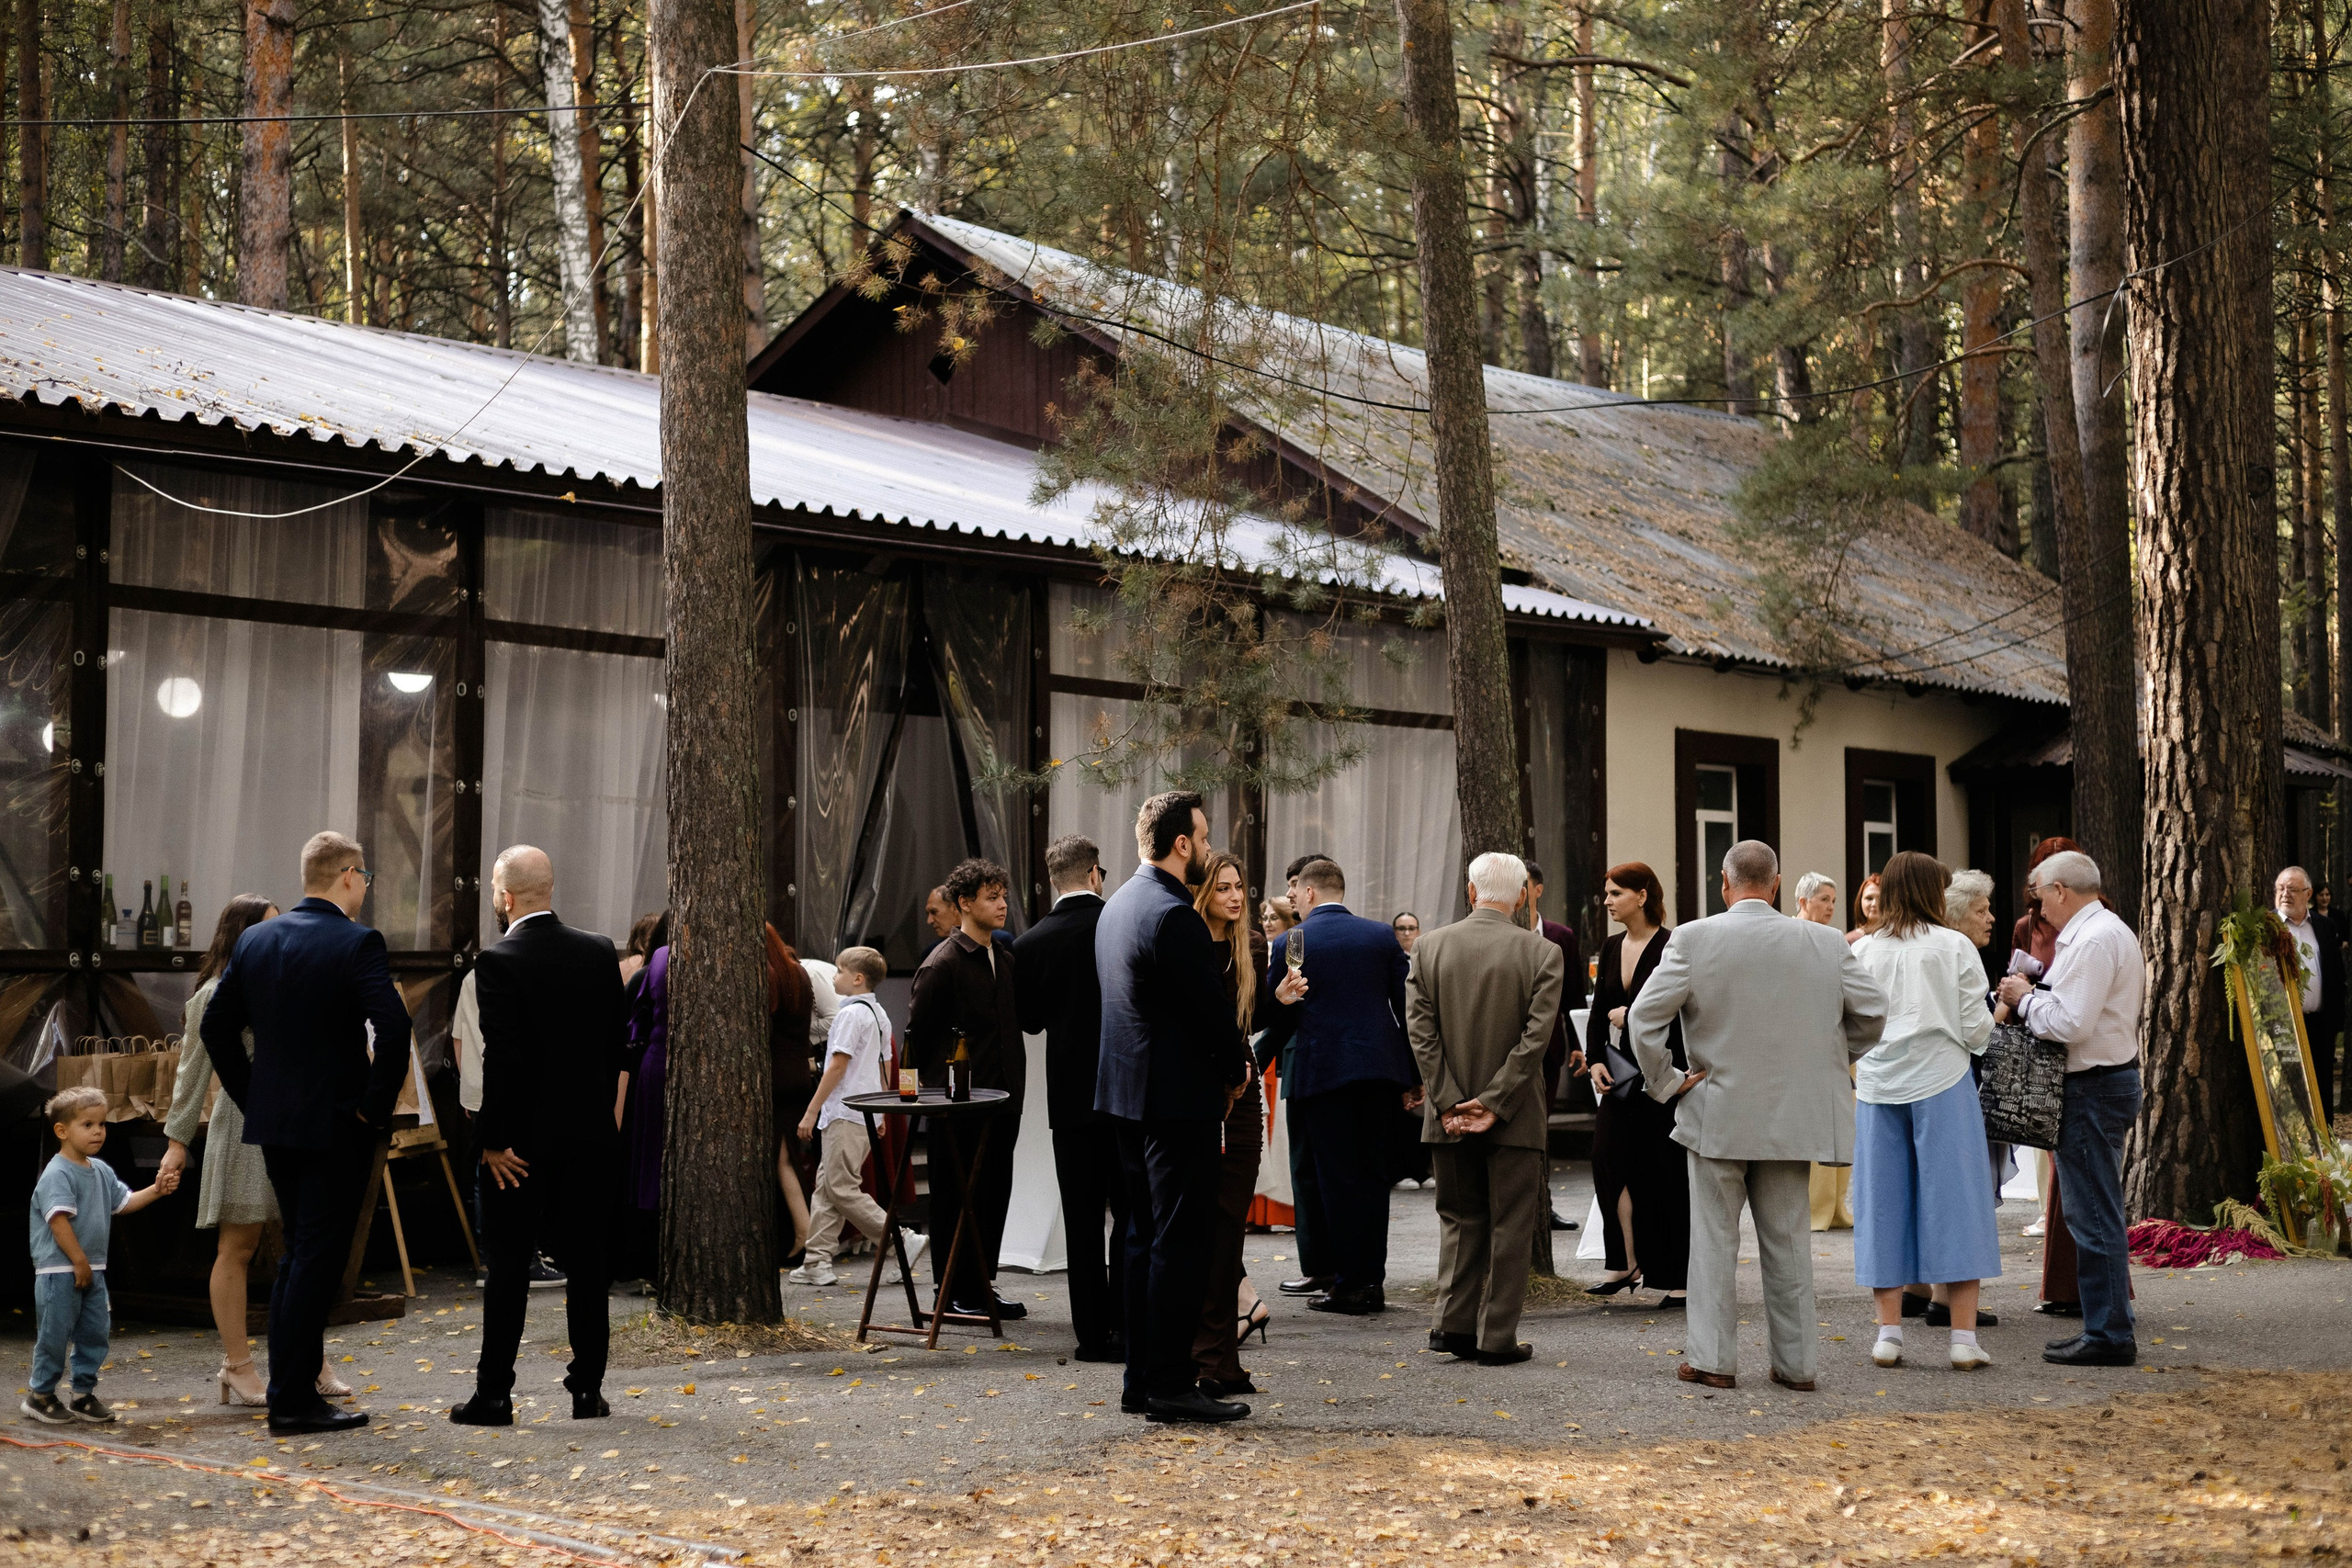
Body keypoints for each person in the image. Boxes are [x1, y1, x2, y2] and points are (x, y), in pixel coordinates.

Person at [1626, 840, 1886, 1392]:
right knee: (1789, 1243)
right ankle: (1797, 1366)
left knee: (1714, 1243)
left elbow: (1643, 1021)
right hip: (1793, 1115)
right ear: (1775, 885)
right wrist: (1828, 1061)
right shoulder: (1824, 942)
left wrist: (1669, 1082)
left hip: (1715, 1109)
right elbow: (1872, 1013)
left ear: (1724, 884)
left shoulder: (1693, 939)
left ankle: (1713, 1360)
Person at [203, 829, 411, 1436]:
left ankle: (291, 1394)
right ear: (348, 874)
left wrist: (252, 1095)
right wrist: (373, 1109)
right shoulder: (357, 941)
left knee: (299, 1253)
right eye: (365, 876)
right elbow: (393, 1028)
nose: (365, 887)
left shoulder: (256, 939)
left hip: (276, 1123)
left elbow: (216, 1028)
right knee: (314, 1259)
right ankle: (293, 1400)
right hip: (336, 1122)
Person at [449, 846, 629, 1427]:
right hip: (588, 1136)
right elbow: (611, 1048)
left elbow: (503, 1061)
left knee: (507, 1267)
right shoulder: (600, 952)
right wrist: (601, 1117)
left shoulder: (498, 962)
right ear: (549, 890)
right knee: (589, 1264)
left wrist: (491, 1142)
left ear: (504, 898)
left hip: (520, 1146)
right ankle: (587, 1390)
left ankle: (495, 1394)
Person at [1096, 789, 1253, 1424]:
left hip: (1126, 1098)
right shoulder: (1173, 914)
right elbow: (1208, 1014)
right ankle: (1168, 1380)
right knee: (1180, 1243)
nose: (1209, 848)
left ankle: (1142, 1379)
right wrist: (1236, 1067)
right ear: (1181, 843)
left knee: (1138, 1240)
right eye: (1205, 838)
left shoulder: (1117, 905)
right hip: (1175, 1102)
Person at [160, 895, 354, 1409]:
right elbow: (191, 1074)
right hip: (243, 1123)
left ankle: (308, 1358)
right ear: (242, 935)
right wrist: (177, 1144)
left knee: (302, 1245)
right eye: (267, 928)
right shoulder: (213, 995)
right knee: (239, 1246)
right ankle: (237, 1364)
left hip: (290, 1123)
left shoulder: (279, 984)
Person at [1405, 852, 1565, 1364]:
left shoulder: (1427, 947)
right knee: (1510, 1226)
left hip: (1446, 1114)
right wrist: (1494, 1102)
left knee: (1459, 1218)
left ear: (1471, 892)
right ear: (1521, 896)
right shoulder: (1542, 953)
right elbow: (1536, 1039)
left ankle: (1451, 1326)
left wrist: (1451, 1100)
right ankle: (1496, 1337)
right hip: (1515, 1115)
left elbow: (1421, 1033)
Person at [1848, 852, 1999, 1372]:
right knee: (1957, 1202)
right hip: (1943, 1079)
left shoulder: (1864, 948)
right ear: (1935, 893)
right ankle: (1962, 1338)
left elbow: (1851, 1021)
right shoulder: (1953, 945)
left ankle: (1888, 1334)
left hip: (1877, 1083)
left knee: (1882, 1203)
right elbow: (1976, 1027)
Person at [1996, 849, 2147, 1367]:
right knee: (2093, 1211)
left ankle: (2108, 1334)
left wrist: (2024, 996)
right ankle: (2105, 1327)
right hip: (2102, 1081)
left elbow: (2071, 1023)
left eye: (2040, 894)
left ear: (2061, 890)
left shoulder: (2094, 937)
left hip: (2093, 1085)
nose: (2038, 907)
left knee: (2093, 1214)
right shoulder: (2106, 931)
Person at [1257, 857, 1421, 1315]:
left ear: (1309, 893)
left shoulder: (1294, 941)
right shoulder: (1380, 936)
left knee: (1334, 1180)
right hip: (1377, 1072)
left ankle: (1348, 1284)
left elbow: (1282, 1007)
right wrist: (1412, 1076)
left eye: (1295, 894)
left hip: (1322, 1072)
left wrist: (1255, 1057)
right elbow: (1402, 1010)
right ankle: (1371, 1281)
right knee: (1372, 1177)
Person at [1012, 833, 1126, 1361]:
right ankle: (1129, 1324)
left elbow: (1030, 1022)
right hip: (1128, 1086)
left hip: (1072, 1093)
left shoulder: (1031, 942)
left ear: (1052, 880)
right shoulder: (1121, 923)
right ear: (1096, 873)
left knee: (1082, 1221)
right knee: (1131, 1213)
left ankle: (1092, 1336)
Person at [908, 856, 1025, 1321]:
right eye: (991, 897)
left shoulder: (1006, 958)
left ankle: (980, 1285)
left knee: (994, 1193)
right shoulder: (943, 964)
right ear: (965, 903)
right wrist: (926, 1098)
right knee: (956, 1196)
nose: (1002, 905)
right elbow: (918, 1037)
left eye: (1003, 896)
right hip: (958, 1105)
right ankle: (949, 1291)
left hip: (1004, 1098)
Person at [21, 1087, 179, 1425]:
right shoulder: (58, 1173)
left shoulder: (101, 1171)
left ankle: (82, 1394)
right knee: (55, 1333)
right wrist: (78, 1262)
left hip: (91, 1268)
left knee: (95, 1331)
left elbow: (123, 1204)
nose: (98, 1132)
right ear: (62, 1131)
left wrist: (156, 1189)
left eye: (102, 1124)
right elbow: (58, 1221)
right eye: (88, 1124)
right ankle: (41, 1395)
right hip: (59, 1269)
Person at [1581, 863, 1688, 1306]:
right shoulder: (1609, 947)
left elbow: (1685, 1011)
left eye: (1615, 893)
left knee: (1667, 1174)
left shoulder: (1673, 945)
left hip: (1665, 1074)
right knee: (1606, 1160)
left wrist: (1635, 1016)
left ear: (1643, 896)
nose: (1607, 902)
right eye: (1606, 893)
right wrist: (1593, 1061)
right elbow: (1597, 1011)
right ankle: (1624, 1261)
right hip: (1622, 1075)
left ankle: (1678, 1276)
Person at [1193, 852, 1270, 1396]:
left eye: (1239, 886)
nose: (1235, 897)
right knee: (1210, 1231)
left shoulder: (1249, 947)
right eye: (1223, 888)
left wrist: (1280, 1003)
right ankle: (1207, 1354)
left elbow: (1250, 1024)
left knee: (1231, 1231)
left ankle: (1221, 1354)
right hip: (1205, 1095)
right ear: (1204, 895)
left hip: (1242, 1098)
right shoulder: (1194, 944)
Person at [791, 947, 910, 1287]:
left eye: (840, 971)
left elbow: (837, 1066)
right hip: (865, 1113)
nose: (833, 977)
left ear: (857, 979)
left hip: (845, 1110)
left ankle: (898, 1239)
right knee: (827, 1188)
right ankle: (816, 1261)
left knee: (840, 1187)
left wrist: (811, 1111)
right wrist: (883, 1111)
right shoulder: (879, 1014)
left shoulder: (848, 1016)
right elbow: (885, 1065)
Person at [2010, 836, 2090, 1314]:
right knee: (2059, 1174)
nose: (2038, 890)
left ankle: (2076, 1290)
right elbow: (2016, 975)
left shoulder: (2093, 929)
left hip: (2072, 1050)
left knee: (2075, 1178)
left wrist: (2033, 998)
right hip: (2040, 1050)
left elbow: (2074, 1011)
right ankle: (2065, 1287)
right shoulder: (2028, 926)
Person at [1271, 853, 1331, 1299]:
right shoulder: (1292, 940)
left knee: (1308, 1169)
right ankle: (1328, 1265)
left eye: (1294, 883)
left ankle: (1321, 1267)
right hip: (1306, 1059)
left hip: (1306, 1059)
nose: (1289, 891)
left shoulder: (1299, 940)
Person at [1522, 862, 1584, 1232]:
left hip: (1550, 1048)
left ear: (1539, 889)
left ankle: (1542, 1204)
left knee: (1540, 1127)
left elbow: (1574, 995)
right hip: (1507, 1044)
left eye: (1525, 885)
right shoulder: (1506, 933)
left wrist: (1578, 1043)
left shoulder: (1561, 936)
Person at [765, 924, 817, 1264]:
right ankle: (805, 1233)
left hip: (777, 1074)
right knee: (790, 1155)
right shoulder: (798, 973)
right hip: (800, 1069)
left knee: (782, 1159)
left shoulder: (767, 976)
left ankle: (805, 1234)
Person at [2277, 866, 2342, 1125]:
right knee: (2287, 1095)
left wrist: (2336, 1021)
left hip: (2320, 1025)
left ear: (2309, 894)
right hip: (2282, 1027)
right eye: (2280, 889)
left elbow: (2337, 975)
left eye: (2292, 890)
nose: (2285, 895)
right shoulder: (2266, 929)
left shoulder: (2325, 926)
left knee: (2322, 1089)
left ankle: (2325, 1152)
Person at [1846, 874, 1883, 945]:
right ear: (1860, 901)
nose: (1874, 904)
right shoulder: (1848, 941)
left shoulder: (1897, 938)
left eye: (1881, 899)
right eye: (1869, 898)